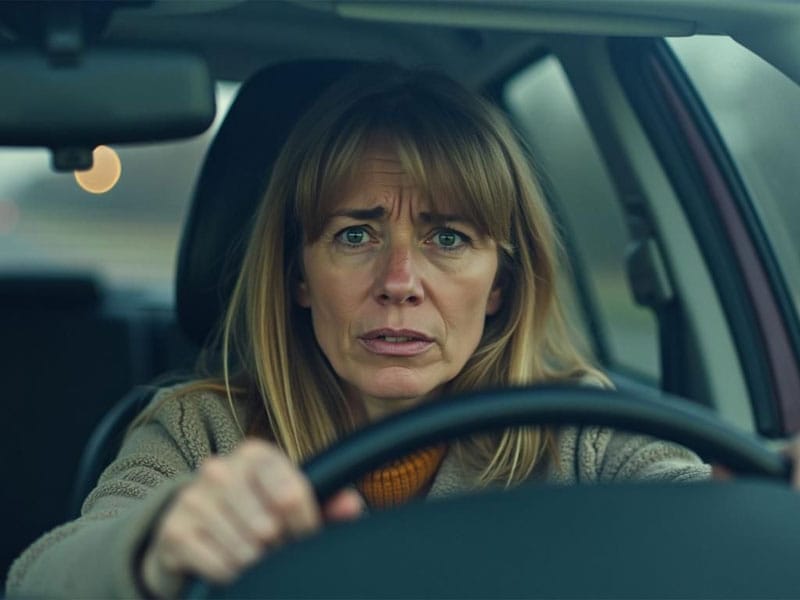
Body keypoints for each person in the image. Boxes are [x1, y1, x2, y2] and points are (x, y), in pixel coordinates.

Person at [5, 64, 793, 599]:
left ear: (500, 287)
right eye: (356, 235)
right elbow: (39, 580)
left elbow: (688, 506)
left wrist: (749, 509)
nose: (399, 282)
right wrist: (160, 541)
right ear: (299, 277)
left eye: (449, 238)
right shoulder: (199, 429)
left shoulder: (579, 427)